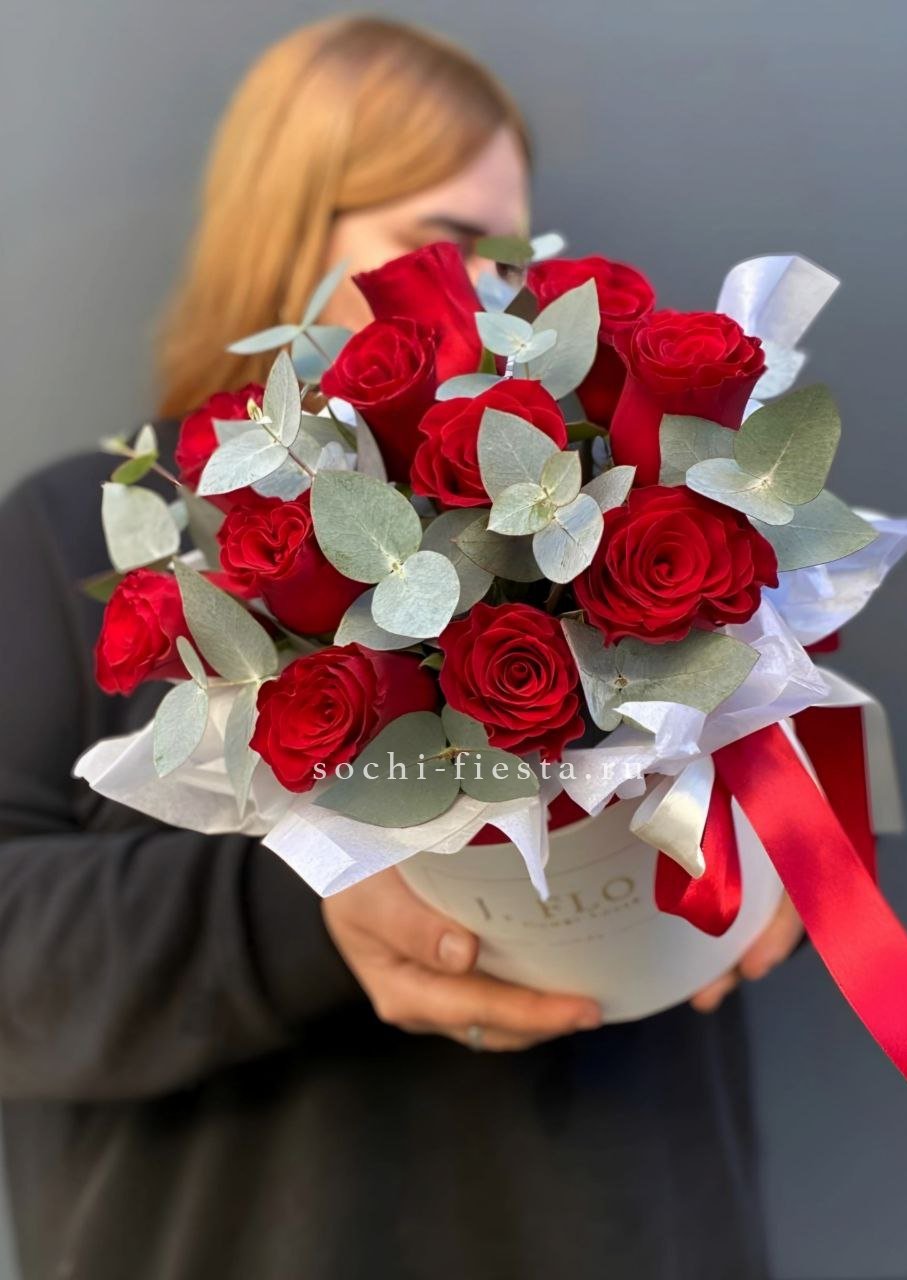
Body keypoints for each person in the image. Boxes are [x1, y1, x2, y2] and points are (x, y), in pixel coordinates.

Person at [0, 17, 802, 1280]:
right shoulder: (79, 538)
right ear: (291, 225)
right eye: (444, 242)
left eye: (513, 252)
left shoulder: (601, 504)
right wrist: (317, 897)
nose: (495, 292)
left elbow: (764, 775)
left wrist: (780, 837)